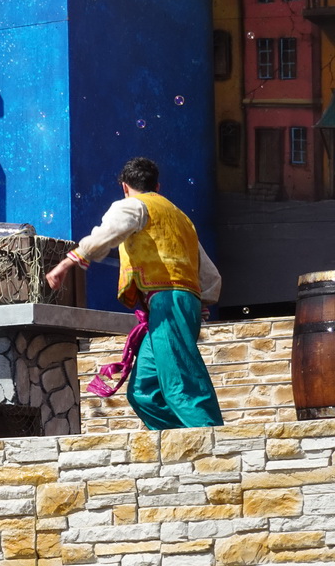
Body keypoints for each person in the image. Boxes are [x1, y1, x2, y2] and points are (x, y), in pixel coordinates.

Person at [46, 156, 224, 430]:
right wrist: (200, 301)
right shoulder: (180, 217)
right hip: (178, 304)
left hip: (169, 301)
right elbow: (209, 273)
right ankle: (182, 442)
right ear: (158, 186)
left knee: (180, 382)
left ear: (125, 187)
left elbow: (106, 234)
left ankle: (212, 441)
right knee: (143, 393)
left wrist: (66, 264)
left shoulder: (132, 205)